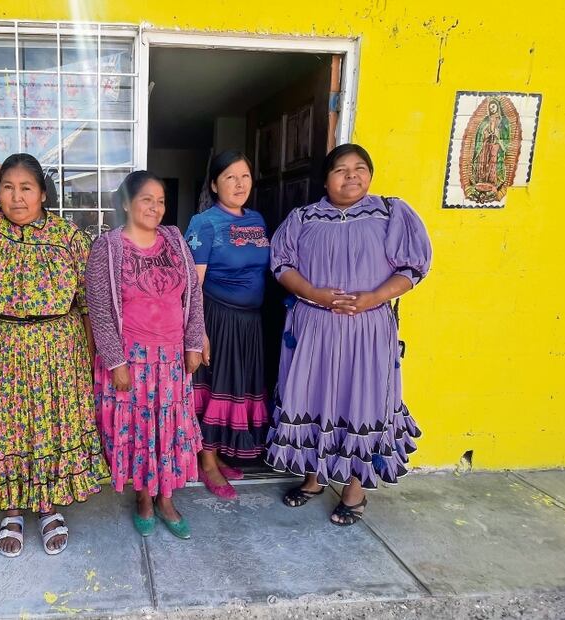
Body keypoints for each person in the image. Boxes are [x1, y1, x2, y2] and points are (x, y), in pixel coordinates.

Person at [0, 155, 108, 557]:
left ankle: (48, 507)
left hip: (58, 347)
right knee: (8, 425)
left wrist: (89, 361)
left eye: (26, 187)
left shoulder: (68, 238)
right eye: (7, 187)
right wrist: (2, 165)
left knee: (51, 427)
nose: (15, 196)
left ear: (43, 194)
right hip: (4, 345)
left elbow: (87, 303)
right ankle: (10, 508)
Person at [265, 143, 431, 526]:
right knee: (314, 396)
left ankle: (355, 491)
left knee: (361, 401)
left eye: (360, 168)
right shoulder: (304, 218)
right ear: (326, 179)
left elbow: (412, 269)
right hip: (313, 327)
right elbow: (282, 264)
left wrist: (374, 296)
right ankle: (313, 478)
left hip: (367, 330)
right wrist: (314, 293)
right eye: (341, 169)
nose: (351, 175)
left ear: (370, 175)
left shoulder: (391, 214)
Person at [86, 171, 205, 539]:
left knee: (169, 430)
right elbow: (100, 309)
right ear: (126, 203)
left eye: (161, 200)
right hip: (131, 359)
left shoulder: (174, 241)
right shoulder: (107, 248)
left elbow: (193, 296)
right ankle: (143, 498)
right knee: (139, 431)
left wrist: (194, 343)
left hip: (171, 358)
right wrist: (115, 361)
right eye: (146, 199)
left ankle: (167, 498)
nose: (155, 207)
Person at [183, 150, 271, 499]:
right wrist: (198, 332)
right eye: (230, 177)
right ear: (215, 184)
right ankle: (206, 463)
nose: (239, 184)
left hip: (250, 324)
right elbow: (193, 286)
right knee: (212, 388)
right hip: (217, 319)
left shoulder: (259, 219)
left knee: (234, 388)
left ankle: (217, 459)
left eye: (245, 176)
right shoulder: (204, 223)